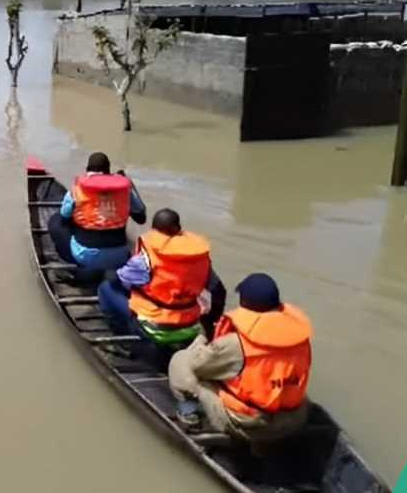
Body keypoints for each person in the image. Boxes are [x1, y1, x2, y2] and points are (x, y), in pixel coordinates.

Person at [167, 273, 313, 443]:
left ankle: (189, 414)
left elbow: (198, 366)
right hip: (292, 420)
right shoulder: (300, 340)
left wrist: (201, 341)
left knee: (181, 362)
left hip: (250, 423)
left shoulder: (236, 344)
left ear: (244, 304)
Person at [98, 208, 226, 344]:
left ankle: (121, 336)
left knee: (106, 287)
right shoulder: (199, 260)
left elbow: (119, 280)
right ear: (179, 229)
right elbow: (219, 292)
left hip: (154, 326)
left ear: (154, 231)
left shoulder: (147, 259)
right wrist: (210, 320)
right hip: (190, 324)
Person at [47, 152, 146, 286]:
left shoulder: (79, 187)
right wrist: (129, 183)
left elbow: (64, 215)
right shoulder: (124, 187)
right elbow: (141, 216)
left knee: (55, 221)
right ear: (108, 170)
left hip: (86, 257)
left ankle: (77, 267)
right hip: (120, 256)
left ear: (87, 169)